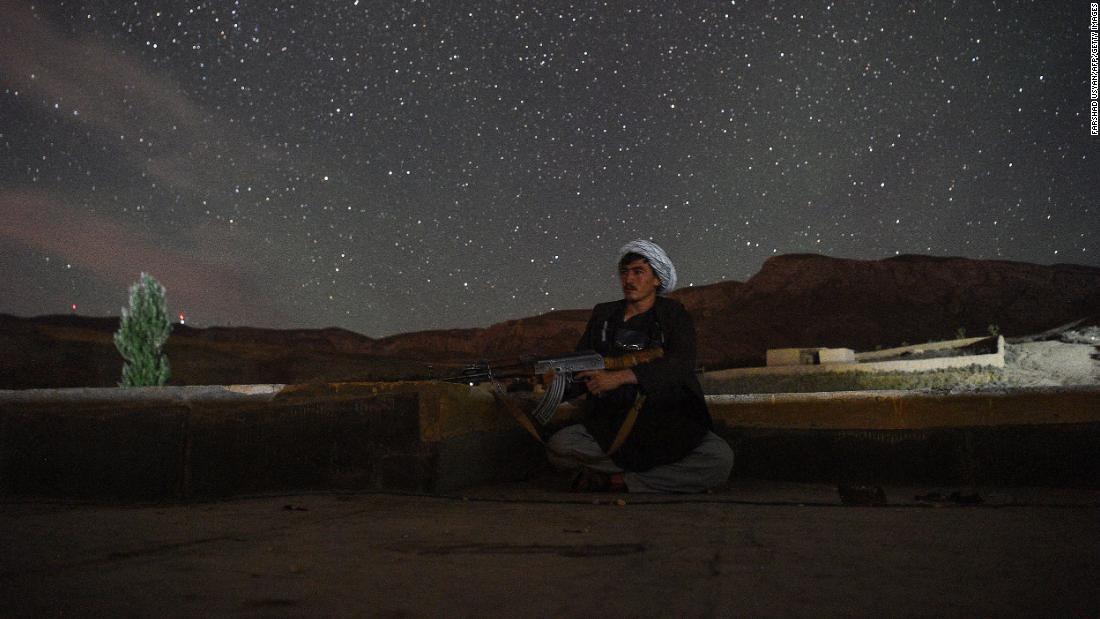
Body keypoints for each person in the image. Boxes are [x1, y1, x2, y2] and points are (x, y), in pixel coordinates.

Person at [545, 240, 734, 493]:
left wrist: (620, 377)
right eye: (624, 273)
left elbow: (680, 363)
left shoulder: (673, 314)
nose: (628, 280)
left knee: (719, 459)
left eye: (638, 272)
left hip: (666, 424)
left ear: (657, 279)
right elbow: (581, 367)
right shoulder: (604, 316)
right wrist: (554, 383)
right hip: (611, 423)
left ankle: (620, 481)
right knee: (559, 446)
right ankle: (656, 478)